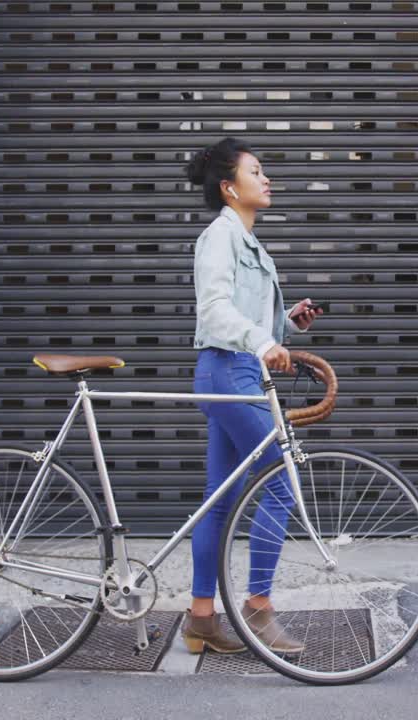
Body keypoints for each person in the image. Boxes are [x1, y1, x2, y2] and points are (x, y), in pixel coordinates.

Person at [180, 137, 323, 654]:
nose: (267, 180)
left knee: (219, 503)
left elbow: (247, 322)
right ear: (228, 187)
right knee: (283, 481)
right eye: (256, 172)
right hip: (227, 374)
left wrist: (283, 326)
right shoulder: (220, 238)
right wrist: (262, 341)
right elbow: (214, 312)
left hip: (236, 372)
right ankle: (258, 608)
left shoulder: (244, 239)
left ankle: (201, 620)